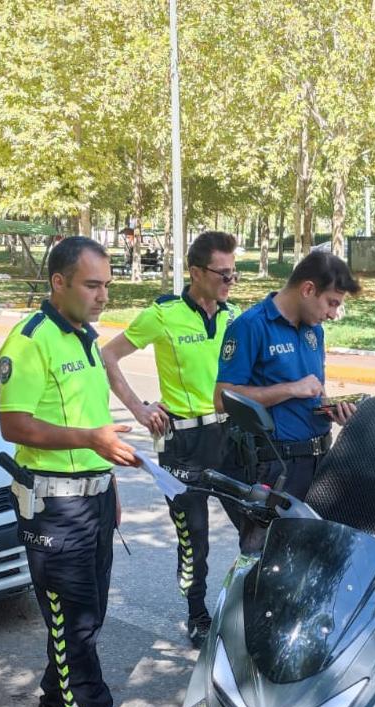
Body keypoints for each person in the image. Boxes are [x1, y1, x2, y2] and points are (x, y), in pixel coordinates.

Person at [0, 236, 148, 707]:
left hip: (93, 496)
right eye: (92, 284)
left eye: (107, 284)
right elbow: (15, 425)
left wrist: (108, 484)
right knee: (75, 621)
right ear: (59, 283)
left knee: (86, 616)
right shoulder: (30, 340)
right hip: (53, 509)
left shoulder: (84, 336)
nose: (103, 295)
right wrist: (91, 442)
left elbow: (93, 426)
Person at [101, 230, 241, 647]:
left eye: (234, 275)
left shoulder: (234, 316)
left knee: (256, 530)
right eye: (223, 274)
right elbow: (108, 355)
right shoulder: (162, 314)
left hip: (230, 438)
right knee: (193, 537)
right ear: (196, 272)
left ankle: (251, 606)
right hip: (183, 445)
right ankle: (197, 614)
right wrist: (140, 410)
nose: (229, 282)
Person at [214, 250, 361, 552]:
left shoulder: (314, 331)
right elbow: (222, 398)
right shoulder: (251, 326)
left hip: (319, 462)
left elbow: (312, 392)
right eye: (332, 302)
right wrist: (291, 388)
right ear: (308, 289)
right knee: (267, 562)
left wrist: (332, 409)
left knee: (313, 561)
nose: (334, 313)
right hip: (275, 468)